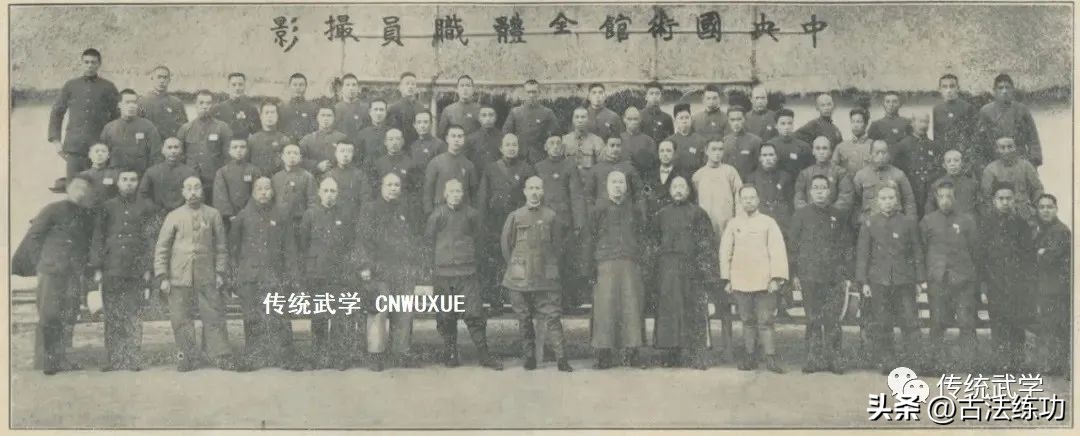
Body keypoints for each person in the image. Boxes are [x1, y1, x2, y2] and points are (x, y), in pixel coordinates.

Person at [13, 175, 96, 374]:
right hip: (51, 271)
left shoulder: (87, 214)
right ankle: (46, 361)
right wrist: (41, 263)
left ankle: (61, 359)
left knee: (68, 314)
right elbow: (34, 236)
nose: (81, 191)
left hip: (73, 272)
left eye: (85, 188)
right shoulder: (52, 210)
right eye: (77, 187)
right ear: (69, 189)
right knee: (49, 314)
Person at [153, 176, 238, 371]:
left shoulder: (213, 214)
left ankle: (219, 355)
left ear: (202, 191)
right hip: (178, 275)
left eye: (197, 188)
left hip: (206, 274)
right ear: (183, 192)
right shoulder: (173, 216)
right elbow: (162, 248)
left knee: (213, 315)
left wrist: (220, 272)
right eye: (189, 188)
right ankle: (187, 356)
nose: (193, 192)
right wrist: (162, 276)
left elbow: (221, 247)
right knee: (180, 318)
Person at [425, 179, 503, 370]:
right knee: (446, 315)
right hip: (443, 274)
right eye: (451, 191)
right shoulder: (437, 215)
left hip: (467, 273)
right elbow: (428, 242)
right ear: (445, 194)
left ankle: (484, 354)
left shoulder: (472, 215)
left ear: (463, 194)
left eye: (458, 191)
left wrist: (472, 261)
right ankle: (451, 352)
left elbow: (480, 240)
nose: (455, 195)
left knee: (475, 313)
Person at [352, 172, 427, 370]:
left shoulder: (406, 209)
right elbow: (362, 240)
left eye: (396, 185)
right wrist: (364, 266)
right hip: (379, 270)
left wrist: (415, 265)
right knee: (379, 311)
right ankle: (375, 354)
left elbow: (415, 239)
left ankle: (400, 352)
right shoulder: (371, 209)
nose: (393, 188)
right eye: (389, 185)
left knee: (404, 313)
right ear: (382, 187)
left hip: (403, 270)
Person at [227, 177, 303, 371]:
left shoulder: (281, 215)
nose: (263, 192)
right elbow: (233, 249)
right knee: (252, 318)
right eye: (259, 189)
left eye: (267, 188)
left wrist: (292, 276)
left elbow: (290, 249)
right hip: (250, 276)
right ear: (253, 192)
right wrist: (235, 277)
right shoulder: (243, 216)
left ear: (272, 191)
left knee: (279, 316)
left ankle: (285, 356)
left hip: (274, 274)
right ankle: (253, 356)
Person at [501, 176, 574, 372]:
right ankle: (529, 357)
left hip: (545, 275)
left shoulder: (551, 216)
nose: (534, 192)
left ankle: (561, 359)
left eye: (538, 188)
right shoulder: (516, 216)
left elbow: (558, 246)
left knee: (553, 316)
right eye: (531, 188)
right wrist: (517, 264)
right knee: (523, 318)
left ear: (542, 192)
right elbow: (506, 246)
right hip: (520, 276)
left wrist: (547, 262)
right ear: (525, 191)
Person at [855, 185, 926, 374]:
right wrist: (864, 281)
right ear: (878, 202)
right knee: (883, 322)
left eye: (891, 198)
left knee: (910, 321)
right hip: (879, 280)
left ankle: (915, 360)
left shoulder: (908, 222)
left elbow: (917, 251)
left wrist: (920, 279)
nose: (887, 202)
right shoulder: (870, 223)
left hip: (904, 279)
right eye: (883, 198)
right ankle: (888, 361)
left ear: (897, 200)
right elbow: (863, 254)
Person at [89, 169, 154, 372]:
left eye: (133, 179)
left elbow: (150, 240)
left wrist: (147, 268)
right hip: (112, 268)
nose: (128, 183)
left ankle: (132, 357)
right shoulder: (107, 207)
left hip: (135, 269)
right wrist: (97, 268)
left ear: (138, 183)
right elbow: (98, 237)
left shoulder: (146, 207)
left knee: (134, 314)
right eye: (124, 180)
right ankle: (114, 358)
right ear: (118, 183)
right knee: (113, 314)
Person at [720, 184, 789, 373]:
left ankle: (770, 358)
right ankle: (750, 356)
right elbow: (725, 252)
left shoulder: (768, 223)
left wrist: (776, 278)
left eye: (752, 197)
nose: (749, 201)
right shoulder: (733, 224)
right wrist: (727, 279)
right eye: (745, 198)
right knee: (747, 321)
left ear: (758, 200)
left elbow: (777, 251)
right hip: (741, 281)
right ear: (740, 201)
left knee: (765, 321)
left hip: (764, 282)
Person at [788, 175, 851, 374]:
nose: (820, 191)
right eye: (815, 188)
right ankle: (813, 359)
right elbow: (793, 246)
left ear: (829, 191)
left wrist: (845, 273)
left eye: (823, 187)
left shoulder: (838, 215)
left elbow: (846, 245)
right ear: (810, 191)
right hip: (809, 275)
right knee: (813, 318)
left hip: (833, 276)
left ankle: (834, 358)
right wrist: (794, 274)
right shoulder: (801, 215)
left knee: (833, 319)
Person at [586, 171, 648, 369]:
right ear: (607, 186)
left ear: (626, 186)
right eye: (613, 182)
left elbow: (642, 237)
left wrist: (641, 261)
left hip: (630, 263)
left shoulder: (635, 211)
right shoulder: (597, 210)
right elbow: (589, 239)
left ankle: (632, 352)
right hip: (605, 263)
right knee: (605, 308)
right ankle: (603, 353)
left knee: (631, 307)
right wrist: (589, 267)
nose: (618, 185)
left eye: (621, 182)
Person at [653, 176, 716, 370]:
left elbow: (706, 243)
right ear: (670, 190)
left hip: (691, 269)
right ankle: (670, 354)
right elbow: (654, 241)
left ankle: (696, 355)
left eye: (682, 186)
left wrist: (704, 270)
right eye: (675, 186)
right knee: (669, 311)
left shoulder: (698, 213)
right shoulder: (661, 214)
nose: (678, 190)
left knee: (692, 311)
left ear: (689, 190)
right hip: (667, 270)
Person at [298, 177, 360, 370]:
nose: (329, 195)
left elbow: (351, 243)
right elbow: (303, 244)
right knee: (319, 316)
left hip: (339, 273)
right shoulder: (310, 214)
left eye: (333, 191)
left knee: (340, 316)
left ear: (338, 193)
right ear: (319, 193)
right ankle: (318, 355)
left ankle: (338, 356)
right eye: (325, 191)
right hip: (317, 273)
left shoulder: (346, 214)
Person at [919, 182, 979, 372]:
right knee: (937, 321)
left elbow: (975, 249)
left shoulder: (967, 220)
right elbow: (922, 249)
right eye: (941, 197)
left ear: (955, 198)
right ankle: (935, 363)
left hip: (963, 279)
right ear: (936, 199)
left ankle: (969, 363)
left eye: (949, 196)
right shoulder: (927, 221)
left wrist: (970, 274)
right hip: (938, 278)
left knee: (966, 321)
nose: (945, 201)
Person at [48, 48, 120, 192]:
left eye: (93, 62)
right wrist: (56, 140)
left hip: (98, 146)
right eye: (86, 62)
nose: (89, 65)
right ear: (81, 63)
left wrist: (111, 144)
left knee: (97, 188)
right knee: (74, 188)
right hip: (74, 146)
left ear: (99, 64)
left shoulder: (108, 87)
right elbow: (57, 112)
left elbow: (116, 117)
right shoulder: (70, 85)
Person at [979, 182, 1034, 372]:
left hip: (1017, 284)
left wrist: (1026, 284)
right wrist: (984, 286)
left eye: (1008, 198)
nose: (1005, 202)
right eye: (1001, 199)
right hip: (995, 283)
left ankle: (1017, 363)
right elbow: (981, 257)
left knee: (1017, 323)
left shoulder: (1022, 225)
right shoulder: (986, 225)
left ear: (1014, 200)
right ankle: (1000, 363)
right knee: (998, 322)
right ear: (994, 201)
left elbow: (1028, 257)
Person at [477, 134, 536, 308]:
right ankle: (495, 301)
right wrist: (483, 223)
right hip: (496, 222)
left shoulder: (526, 169)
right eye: (508, 145)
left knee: (518, 259)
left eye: (514, 145)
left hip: (519, 223)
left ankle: (519, 301)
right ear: (501, 148)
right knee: (496, 260)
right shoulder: (491, 169)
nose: (511, 148)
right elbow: (483, 198)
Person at [533, 134, 588, 308]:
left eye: (558, 143)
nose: (555, 146)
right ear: (545, 147)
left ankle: (568, 303)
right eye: (551, 143)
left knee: (566, 261)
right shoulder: (539, 167)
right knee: (546, 261)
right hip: (544, 221)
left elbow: (576, 195)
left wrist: (579, 223)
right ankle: (546, 302)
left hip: (564, 222)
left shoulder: (569, 166)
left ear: (563, 147)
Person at [1032, 194, 1070, 376]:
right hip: (1045, 287)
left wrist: (1040, 253)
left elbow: (1049, 258)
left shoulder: (1060, 231)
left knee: (1057, 328)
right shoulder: (1041, 230)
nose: (1045, 211)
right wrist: (1039, 252)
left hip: (1057, 289)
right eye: (1042, 207)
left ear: (1056, 209)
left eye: (1049, 207)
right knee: (1048, 327)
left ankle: (1058, 366)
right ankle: (1052, 365)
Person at [176, 89, 234, 201]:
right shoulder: (186, 128)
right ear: (195, 105)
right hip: (192, 181)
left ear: (213, 105)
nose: (205, 106)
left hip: (214, 179)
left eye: (208, 103)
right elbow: (179, 156)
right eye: (201, 103)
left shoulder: (222, 128)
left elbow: (228, 156)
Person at [841, 140, 917, 221]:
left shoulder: (898, 174)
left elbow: (909, 201)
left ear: (888, 155)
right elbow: (855, 202)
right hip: (870, 223)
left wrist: (910, 221)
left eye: (884, 152)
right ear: (870, 154)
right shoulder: (861, 176)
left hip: (895, 222)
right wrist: (860, 221)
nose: (881, 156)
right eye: (877, 152)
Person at [977, 74, 1041, 168]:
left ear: (1012, 90)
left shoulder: (1022, 109)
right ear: (994, 90)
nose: (1004, 91)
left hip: (1020, 158)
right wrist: (983, 164)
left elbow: (1033, 137)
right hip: (995, 160)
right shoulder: (986, 111)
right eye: (1000, 88)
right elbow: (980, 141)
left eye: (1007, 87)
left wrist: (1034, 160)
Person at [100, 88, 162, 174]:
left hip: (141, 176)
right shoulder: (109, 128)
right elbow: (102, 156)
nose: (131, 106)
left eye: (134, 102)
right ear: (119, 105)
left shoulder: (148, 127)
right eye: (127, 102)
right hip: (115, 175)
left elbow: (156, 155)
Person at [981, 137, 1042, 220]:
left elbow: (1037, 188)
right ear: (997, 150)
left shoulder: (1026, 166)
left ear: (1015, 148)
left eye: (1010, 147)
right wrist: (994, 212)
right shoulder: (990, 169)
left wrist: (1034, 207)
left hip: (1024, 212)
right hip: (1001, 213)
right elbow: (986, 195)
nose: (1007, 151)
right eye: (1002, 148)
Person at [423, 124, 479, 215]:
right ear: (447, 139)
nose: (456, 139)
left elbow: (474, 194)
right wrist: (430, 213)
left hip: (462, 215)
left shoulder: (469, 165)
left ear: (464, 139)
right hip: (440, 213)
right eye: (453, 136)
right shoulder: (436, 162)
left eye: (460, 136)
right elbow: (428, 191)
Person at [583, 136, 645, 216]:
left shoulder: (630, 169)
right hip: (603, 216)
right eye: (612, 145)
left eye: (618, 146)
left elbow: (639, 193)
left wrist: (636, 211)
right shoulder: (596, 170)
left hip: (625, 215)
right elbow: (588, 195)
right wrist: (593, 212)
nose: (615, 149)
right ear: (606, 147)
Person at [139, 138, 197, 218]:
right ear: (163, 150)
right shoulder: (152, 171)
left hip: (184, 215)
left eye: (176, 147)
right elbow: (143, 194)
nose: (173, 151)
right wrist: (155, 209)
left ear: (181, 150)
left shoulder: (190, 172)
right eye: (169, 147)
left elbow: (197, 194)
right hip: (158, 215)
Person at [502, 79, 559, 163]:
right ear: (524, 94)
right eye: (528, 92)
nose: (531, 95)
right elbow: (506, 133)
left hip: (540, 157)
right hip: (519, 158)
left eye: (534, 92)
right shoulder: (515, 112)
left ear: (539, 93)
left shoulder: (547, 113)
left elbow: (555, 134)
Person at [931, 74, 978, 175]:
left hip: (962, 155)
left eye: (952, 86)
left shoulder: (967, 107)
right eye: (945, 87)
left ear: (958, 88)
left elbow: (973, 134)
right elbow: (936, 135)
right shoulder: (937, 109)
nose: (948, 90)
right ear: (940, 89)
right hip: (945, 155)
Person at [212, 139, 260, 224]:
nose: (239, 150)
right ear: (229, 151)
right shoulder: (222, 172)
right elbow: (220, 196)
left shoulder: (254, 170)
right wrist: (230, 215)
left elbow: (257, 192)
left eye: (242, 147)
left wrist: (249, 211)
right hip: (230, 217)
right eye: (235, 147)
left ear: (247, 150)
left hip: (251, 214)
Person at [371, 128, 423, 207]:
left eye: (397, 139)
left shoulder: (410, 164)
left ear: (403, 142)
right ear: (385, 142)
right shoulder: (378, 164)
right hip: (383, 205)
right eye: (390, 139)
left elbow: (415, 189)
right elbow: (374, 188)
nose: (394, 142)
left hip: (404, 205)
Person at [794, 136, 848, 210]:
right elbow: (799, 198)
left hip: (832, 215)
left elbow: (845, 198)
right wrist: (808, 213)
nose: (821, 152)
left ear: (830, 151)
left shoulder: (840, 172)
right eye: (818, 148)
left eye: (824, 148)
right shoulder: (805, 173)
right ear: (813, 151)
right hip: (810, 214)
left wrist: (832, 213)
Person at [270, 144, 318, 225]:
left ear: (300, 157)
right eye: (288, 153)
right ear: (282, 157)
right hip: (280, 222)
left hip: (299, 222)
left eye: (295, 153)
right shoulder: (276, 177)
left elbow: (312, 203)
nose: (292, 156)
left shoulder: (307, 177)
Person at [137, 65, 188, 141]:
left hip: (171, 145)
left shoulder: (176, 103)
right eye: (159, 77)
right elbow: (136, 128)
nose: (162, 81)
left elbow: (184, 128)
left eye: (165, 77)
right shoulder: (142, 102)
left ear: (169, 80)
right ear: (152, 78)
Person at [925, 149, 979, 216]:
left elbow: (979, 207)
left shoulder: (972, 183)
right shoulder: (937, 184)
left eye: (956, 160)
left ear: (962, 163)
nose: (952, 164)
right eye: (948, 161)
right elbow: (930, 208)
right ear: (944, 165)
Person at [324, 142, 373, 213]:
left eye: (349, 151)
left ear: (353, 154)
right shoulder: (328, 175)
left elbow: (366, 199)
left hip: (355, 214)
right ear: (336, 153)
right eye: (342, 151)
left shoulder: (360, 175)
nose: (345, 155)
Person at [299, 106, 348, 177]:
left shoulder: (342, 138)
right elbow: (299, 159)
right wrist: (316, 165)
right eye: (322, 115)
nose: (326, 118)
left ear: (334, 118)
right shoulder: (307, 139)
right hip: (315, 178)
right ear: (317, 117)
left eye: (329, 116)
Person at [248, 101, 293, 177]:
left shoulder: (285, 139)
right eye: (266, 113)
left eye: (272, 113)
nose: (270, 115)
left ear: (277, 116)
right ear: (261, 116)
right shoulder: (252, 140)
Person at [766, 108, 813, 180]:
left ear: (793, 125)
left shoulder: (804, 146)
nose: (786, 127)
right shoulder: (769, 146)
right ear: (776, 126)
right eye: (783, 124)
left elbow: (809, 170)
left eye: (789, 123)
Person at [210, 72, 260, 138]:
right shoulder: (218, 108)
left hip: (243, 143)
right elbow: (212, 134)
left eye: (240, 84)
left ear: (244, 86)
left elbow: (257, 134)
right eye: (233, 85)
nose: (237, 88)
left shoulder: (251, 109)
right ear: (228, 86)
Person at [721, 105, 764, 179]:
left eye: (739, 119)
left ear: (744, 119)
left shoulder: (756, 141)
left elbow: (760, 167)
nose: (736, 123)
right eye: (732, 120)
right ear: (728, 121)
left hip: (748, 182)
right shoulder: (724, 141)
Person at [387, 72, 430, 146]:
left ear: (416, 88)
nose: (410, 87)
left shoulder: (421, 107)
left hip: (419, 146)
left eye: (413, 84)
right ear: (400, 87)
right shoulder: (394, 108)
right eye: (407, 84)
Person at [831, 108, 873, 176]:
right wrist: (845, 173)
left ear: (866, 124)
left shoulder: (873, 146)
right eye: (853, 122)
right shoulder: (841, 147)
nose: (855, 125)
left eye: (859, 122)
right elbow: (832, 166)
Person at [619, 106, 659, 178]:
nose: (632, 122)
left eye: (635, 119)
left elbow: (654, 164)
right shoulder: (618, 139)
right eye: (629, 119)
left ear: (640, 120)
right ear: (624, 119)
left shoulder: (648, 140)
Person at [666, 104, 709, 170]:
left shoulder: (701, 141)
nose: (684, 121)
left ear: (691, 119)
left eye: (687, 117)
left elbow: (706, 164)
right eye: (681, 118)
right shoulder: (668, 142)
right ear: (675, 121)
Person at [563, 106, 605, 171]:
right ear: (573, 120)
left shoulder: (597, 141)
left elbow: (602, 166)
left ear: (588, 120)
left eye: (583, 117)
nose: (580, 120)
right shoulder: (564, 140)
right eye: (577, 117)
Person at [279, 73, 319, 142]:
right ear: (289, 86)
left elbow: (316, 130)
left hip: (307, 145)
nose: (298, 88)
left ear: (306, 87)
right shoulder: (282, 108)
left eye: (301, 85)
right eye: (295, 85)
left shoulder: (313, 108)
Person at [334, 74, 371, 147]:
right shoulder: (336, 108)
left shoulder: (366, 108)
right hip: (342, 148)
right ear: (342, 88)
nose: (351, 88)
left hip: (361, 147)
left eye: (354, 85)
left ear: (358, 88)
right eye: (347, 85)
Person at [466, 106, 505, 172]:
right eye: (484, 115)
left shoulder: (503, 138)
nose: (488, 118)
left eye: (491, 115)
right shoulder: (470, 139)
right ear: (479, 118)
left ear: (495, 118)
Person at [357, 98, 391, 164]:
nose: (378, 113)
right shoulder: (362, 134)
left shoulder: (392, 132)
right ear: (370, 112)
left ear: (386, 112)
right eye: (375, 109)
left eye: (381, 110)